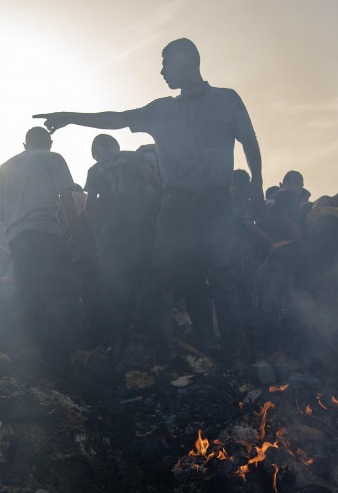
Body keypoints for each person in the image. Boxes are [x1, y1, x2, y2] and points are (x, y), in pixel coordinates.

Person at [35, 38, 263, 359]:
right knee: (181, 274)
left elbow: (248, 140)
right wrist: (71, 116)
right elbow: (116, 118)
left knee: (224, 274)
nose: (161, 71)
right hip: (177, 203)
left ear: (186, 61)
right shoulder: (162, 110)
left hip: (216, 202)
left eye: (165, 62)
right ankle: (201, 344)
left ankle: (236, 350)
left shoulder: (226, 100)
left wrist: (258, 182)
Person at [0, 127, 81, 363]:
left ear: (25, 144)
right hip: (45, 232)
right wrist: (77, 236)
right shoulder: (52, 158)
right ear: (49, 143)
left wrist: (17, 224)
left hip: (16, 238)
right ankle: (59, 356)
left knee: (28, 293)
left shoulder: (4, 167)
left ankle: (29, 356)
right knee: (60, 293)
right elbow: (67, 200)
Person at [84, 134, 161, 347]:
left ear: (97, 151)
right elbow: (154, 181)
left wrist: (98, 244)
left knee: (118, 289)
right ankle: (150, 342)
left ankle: (121, 343)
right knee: (144, 284)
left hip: (112, 236)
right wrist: (157, 212)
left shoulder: (94, 170)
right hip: (140, 230)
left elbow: (89, 208)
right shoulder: (133, 157)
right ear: (116, 146)